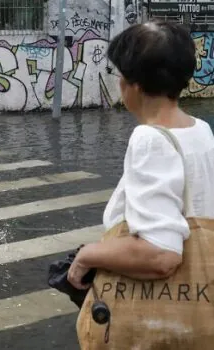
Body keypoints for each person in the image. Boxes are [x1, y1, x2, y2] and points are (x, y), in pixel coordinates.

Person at [68, 20, 214, 314]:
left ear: (132, 84)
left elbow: (160, 255)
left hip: (165, 311)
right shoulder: (200, 130)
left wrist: (88, 256)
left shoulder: (150, 138)